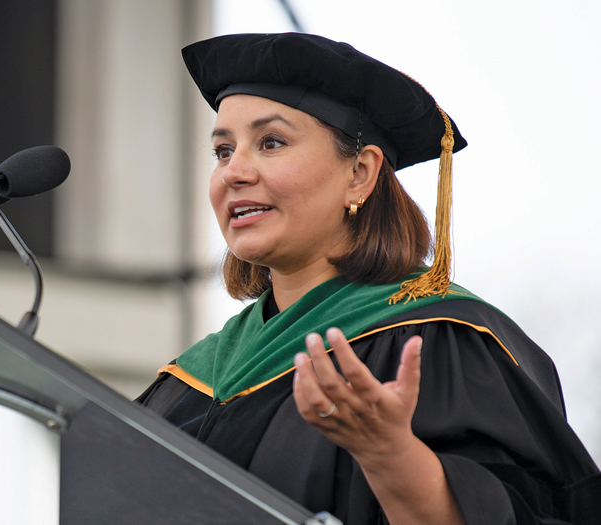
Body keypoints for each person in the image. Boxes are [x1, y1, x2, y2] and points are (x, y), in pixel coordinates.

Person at [137, 33, 600, 524]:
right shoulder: (189, 378)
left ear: (359, 172)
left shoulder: (437, 343)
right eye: (223, 151)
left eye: (271, 142)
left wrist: (391, 457)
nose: (234, 171)